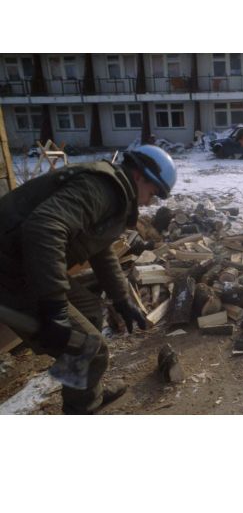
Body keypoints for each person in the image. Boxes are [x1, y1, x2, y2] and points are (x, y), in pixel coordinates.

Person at [0, 145, 177, 413]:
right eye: (152, 194)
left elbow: (99, 247)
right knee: (89, 346)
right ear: (140, 175)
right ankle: (82, 410)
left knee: (91, 311)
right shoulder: (101, 188)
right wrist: (54, 307)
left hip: (26, 266)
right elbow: (44, 228)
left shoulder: (114, 192)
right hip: (9, 272)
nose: (148, 203)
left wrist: (121, 299)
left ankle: (83, 394)